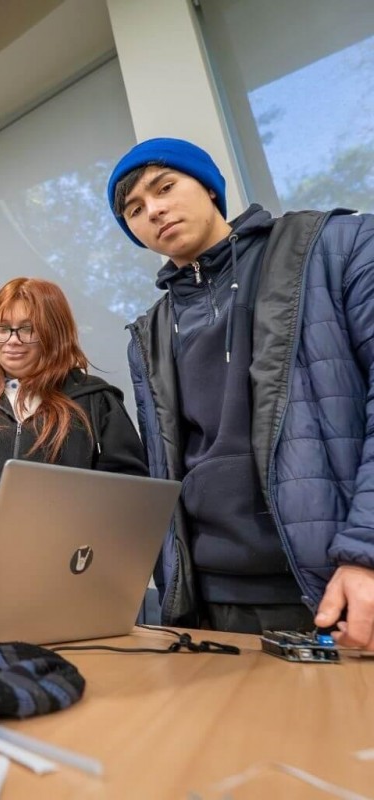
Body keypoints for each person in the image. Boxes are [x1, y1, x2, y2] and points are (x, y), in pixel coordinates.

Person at [107, 136, 374, 649]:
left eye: (165, 187)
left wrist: (365, 550)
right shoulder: (150, 333)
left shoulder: (335, 245)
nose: (154, 210)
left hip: (338, 585)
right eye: (135, 210)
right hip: (213, 604)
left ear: (208, 187)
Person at [0, 277, 147, 600]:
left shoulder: (96, 403)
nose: (11, 341)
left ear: (54, 332)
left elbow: (133, 494)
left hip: (74, 591)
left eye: (28, 329)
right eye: (1, 328)